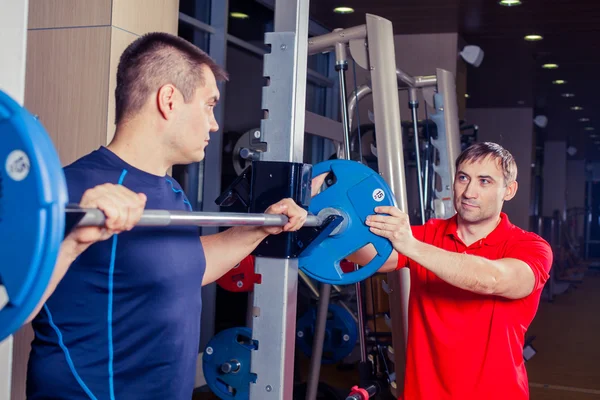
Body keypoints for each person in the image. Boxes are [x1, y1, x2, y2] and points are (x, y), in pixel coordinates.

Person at [25, 32, 310, 400]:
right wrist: (72, 240)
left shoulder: (170, 191)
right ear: (169, 100)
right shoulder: (70, 190)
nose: (214, 124)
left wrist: (262, 226)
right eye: (209, 105)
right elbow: (12, 302)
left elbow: (189, 266)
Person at [361, 142, 553, 399]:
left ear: (509, 190)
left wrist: (412, 246)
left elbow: (493, 279)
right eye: (463, 178)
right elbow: (370, 256)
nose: (469, 192)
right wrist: (314, 222)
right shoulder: (427, 234)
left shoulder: (530, 247)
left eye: (484, 181)